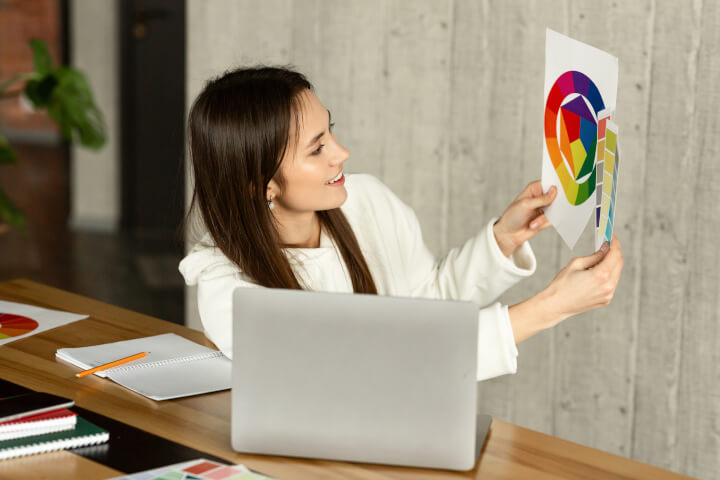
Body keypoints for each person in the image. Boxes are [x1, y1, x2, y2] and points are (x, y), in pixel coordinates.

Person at [178, 66, 623, 381]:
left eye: (331, 131)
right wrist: (550, 307)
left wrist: (501, 240)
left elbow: (425, 305)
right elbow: (389, 363)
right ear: (262, 186)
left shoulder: (365, 199)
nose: (341, 153)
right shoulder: (229, 293)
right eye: (317, 149)